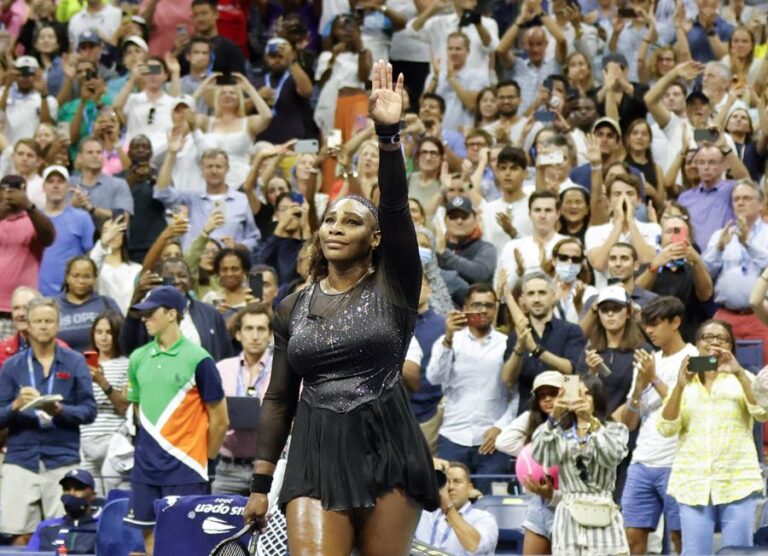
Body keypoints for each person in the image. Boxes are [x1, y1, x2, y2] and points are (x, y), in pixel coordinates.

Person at [243, 62, 440, 555]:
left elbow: (394, 207)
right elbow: (279, 398)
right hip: (314, 449)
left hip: (387, 446)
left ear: (374, 240)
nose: (334, 227)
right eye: (329, 219)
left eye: (350, 222)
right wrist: (259, 484)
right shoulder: (292, 305)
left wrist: (388, 135)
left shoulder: (395, 284)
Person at [124, 286, 228, 556]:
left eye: (150, 312)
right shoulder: (137, 358)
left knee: (184, 545)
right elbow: (137, 408)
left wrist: (206, 457)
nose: (144, 318)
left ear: (172, 314)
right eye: (142, 314)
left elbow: (220, 419)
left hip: (187, 465)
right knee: (149, 543)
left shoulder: (199, 358)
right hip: (145, 466)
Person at [659, 319, 767, 555]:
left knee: (738, 552)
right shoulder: (684, 382)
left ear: (731, 346)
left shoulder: (743, 377)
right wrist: (678, 387)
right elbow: (666, 427)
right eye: (708, 337)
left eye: (722, 338)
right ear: (697, 345)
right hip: (693, 481)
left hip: (737, 479)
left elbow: (762, 413)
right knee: (695, 552)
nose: (714, 343)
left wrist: (738, 373)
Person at [0, 297, 96, 545]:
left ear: (57, 325)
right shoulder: (12, 366)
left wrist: (60, 410)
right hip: (21, 459)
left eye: (49, 321)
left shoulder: (75, 362)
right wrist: (16, 406)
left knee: (61, 536)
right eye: (38, 321)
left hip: (62, 458)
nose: (44, 326)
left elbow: (89, 411)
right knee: (19, 535)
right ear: (28, 326)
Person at [620, 296, 697, 555]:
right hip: (642, 461)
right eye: (646, 325)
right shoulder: (647, 361)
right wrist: (638, 388)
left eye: (655, 323)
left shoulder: (695, 358)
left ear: (676, 322)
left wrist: (652, 378)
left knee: (680, 538)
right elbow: (629, 423)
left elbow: (685, 411)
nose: (649, 331)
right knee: (631, 539)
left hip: (678, 462)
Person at [532, 373, 631, 556]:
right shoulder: (559, 431)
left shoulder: (614, 429)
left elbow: (612, 456)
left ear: (597, 397)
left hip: (604, 512)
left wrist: (591, 422)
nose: (582, 399)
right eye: (577, 394)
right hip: (569, 513)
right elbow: (540, 455)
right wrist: (554, 417)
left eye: (587, 394)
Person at [426, 283, 512, 490]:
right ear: (464, 308)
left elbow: (517, 393)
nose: (482, 310)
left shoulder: (506, 343)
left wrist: (502, 426)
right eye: (476, 305)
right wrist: (448, 338)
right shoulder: (448, 341)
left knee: (493, 504)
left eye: (488, 305)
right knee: (450, 502)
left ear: (495, 309)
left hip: (492, 439)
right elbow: (434, 377)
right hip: (454, 436)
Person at [495, 371, 564, 555]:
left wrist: (559, 416)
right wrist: (532, 453)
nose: (548, 399)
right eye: (542, 396)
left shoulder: (575, 422)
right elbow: (502, 442)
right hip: (539, 503)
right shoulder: (533, 421)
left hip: (566, 503)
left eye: (553, 393)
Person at [703, 180, 768, 364]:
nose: (740, 203)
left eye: (747, 198)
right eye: (736, 199)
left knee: (764, 376)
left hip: (762, 316)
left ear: (761, 204)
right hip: (726, 315)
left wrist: (748, 243)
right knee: (717, 369)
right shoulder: (720, 235)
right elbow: (705, 272)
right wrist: (718, 248)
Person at [120, 257, 234, 362]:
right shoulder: (148, 314)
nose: (176, 280)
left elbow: (226, 356)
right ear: (159, 281)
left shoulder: (210, 313)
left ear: (190, 281)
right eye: (169, 277)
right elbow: (128, 348)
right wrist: (136, 298)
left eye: (182, 275)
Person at [502, 272, 586, 415]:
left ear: (553, 296)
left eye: (542, 293)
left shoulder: (571, 330)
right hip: (527, 415)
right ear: (523, 300)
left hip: (565, 414)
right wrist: (520, 347)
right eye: (531, 294)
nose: (536, 299)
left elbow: (571, 370)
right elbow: (508, 380)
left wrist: (536, 350)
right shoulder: (516, 336)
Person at [213, 304, 273, 495]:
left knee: (271, 526)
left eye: (261, 329)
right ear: (238, 334)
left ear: (270, 335)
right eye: (249, 328)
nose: (255, 336)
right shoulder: (222, 369)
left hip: (269, 468)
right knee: (220, 524)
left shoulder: (283, 371)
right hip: (228, 469)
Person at [155, 146, 261, 251]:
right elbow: (162, 193)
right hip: (193, 264)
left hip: (228, 264)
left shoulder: (241, 200)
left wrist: (238, 246)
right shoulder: (188, 199)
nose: (214, 171)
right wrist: (171, 153)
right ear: (202, 170)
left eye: (218, 166)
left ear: (227, 169)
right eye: (209, 166)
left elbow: (253, 237)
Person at [635, 216, 713, 342]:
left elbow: (706, 295)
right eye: (668, 232)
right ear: (660, 239)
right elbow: (637, 293)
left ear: (687, 238)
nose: (673, 236)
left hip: (688, 335)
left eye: (678, 231)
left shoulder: (695, 267)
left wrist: (697, 261)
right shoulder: (649, 266)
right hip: (652, 337)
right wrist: (655, 265)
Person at [80, 311, 130, 495]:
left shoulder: (127, 364)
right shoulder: (80, 364)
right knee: (87, 496)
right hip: (85, 440)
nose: (103, 337)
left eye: (109, 332)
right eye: (98, 332)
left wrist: (102, 382)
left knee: (114, 497)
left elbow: (124, 407)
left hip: (113, 442)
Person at [585, 173, 660, 288]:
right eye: (617, 194)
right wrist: (619, 222)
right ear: (609, 200)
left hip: (641, 296)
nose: (624, 198)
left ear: (639, 199)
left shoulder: (652, 228)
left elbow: (647, 261)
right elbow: (599, 264)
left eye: (630, 194)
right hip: (604, 298)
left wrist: (630, 221)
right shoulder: (594, 232)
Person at [414, 461, 499, 555]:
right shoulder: (425, 514)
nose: (450, 487)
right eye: (446, 482)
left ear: (470, 488)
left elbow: (475, 547)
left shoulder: (484, 518)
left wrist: (447, 507)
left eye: (457, 481)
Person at [38, 166, 95, 296]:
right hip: (38, 294)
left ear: (68, 186)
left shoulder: (82, 218)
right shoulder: (34, 219)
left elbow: (91, 256)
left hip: (70, 295)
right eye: (51, 181)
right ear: (43, 187)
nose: (55, 185)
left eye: (60, 181)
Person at [496, 191, 565, 288]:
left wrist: (550, 274)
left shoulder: (569, 244)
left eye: (548, 210)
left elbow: (574, 287)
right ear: (529, 213)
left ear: (558, 214)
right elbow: (502, 291)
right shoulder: (512, 247)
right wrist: (518, 273)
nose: (542, 216)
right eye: (537, 210)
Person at [54, 256, 122, 354]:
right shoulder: (52, 306)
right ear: (67, 277)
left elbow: (121, 337)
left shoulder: (107, 303)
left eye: (87, 276)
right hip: (64, 367)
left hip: (102, 366)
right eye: (76, 276)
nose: (81, 281)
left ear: (94, 279)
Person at [436, 196, 496, 305]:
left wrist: (445, 254)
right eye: (453, 217)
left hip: (477, 312)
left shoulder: (486, 248)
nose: (459, 221)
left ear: (475, 219)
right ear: (445, 221)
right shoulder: (435, 249)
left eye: (464, 217)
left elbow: (479, 273)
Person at [26, 469, 100, 553]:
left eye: (78, 488)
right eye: (67, 488)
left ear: (93, 495)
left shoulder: (103, 528)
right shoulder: (46, 527)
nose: (71, 493)